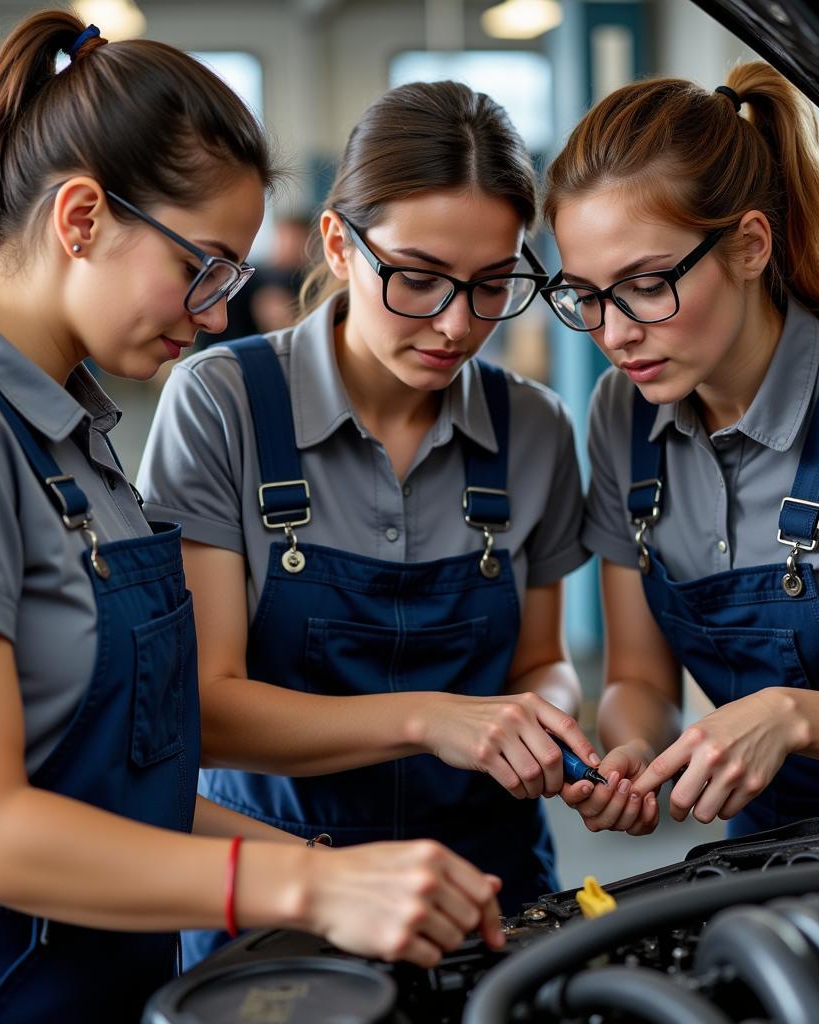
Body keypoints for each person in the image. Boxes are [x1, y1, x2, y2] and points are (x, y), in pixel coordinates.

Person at [0, 14, 506, 1023]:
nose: (219, 310)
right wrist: (306, 889)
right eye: (204, 267)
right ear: (82, 217)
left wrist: (325, 864)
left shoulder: (68, 435)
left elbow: (104, 782)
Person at [137, 79, 597, 963]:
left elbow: (543, 663)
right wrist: (432, 717)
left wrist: (548, 729)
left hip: (489, 889)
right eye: (418, 278)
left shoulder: (534, 426)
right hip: (276, 890)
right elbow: (204, 708)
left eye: (494, 284)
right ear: (339, 244)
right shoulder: (223, 404)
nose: (459, 324)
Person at [541, 62, 819, 840]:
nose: (613, 334)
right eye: (585, 295)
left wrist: (796, 717)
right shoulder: (624, 413)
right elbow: (639, 678)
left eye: (646, 285)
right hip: (767, 864)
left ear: (749, 246)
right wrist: (632, 747)